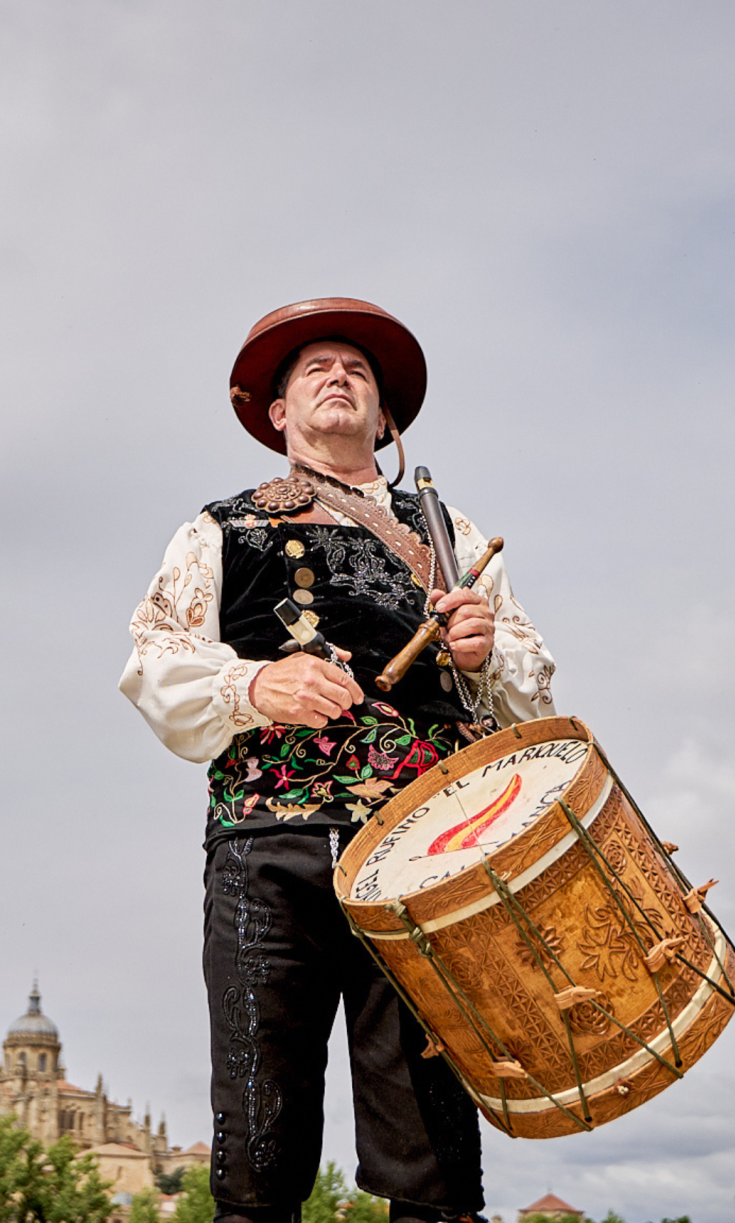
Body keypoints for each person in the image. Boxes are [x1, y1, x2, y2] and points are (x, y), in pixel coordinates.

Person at [119, 298, 556, 1223]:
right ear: (278, 413)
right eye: (314, 367)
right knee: (259, 1146)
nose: (339, 376)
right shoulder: (218, 529)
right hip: (266, 851)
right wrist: (253, 688)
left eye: (357, 368)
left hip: (432, 860)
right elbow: (151, 663)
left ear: (386, 417)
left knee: (433, 1157)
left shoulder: (454, 541)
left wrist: (486, 652)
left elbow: (533, 694)